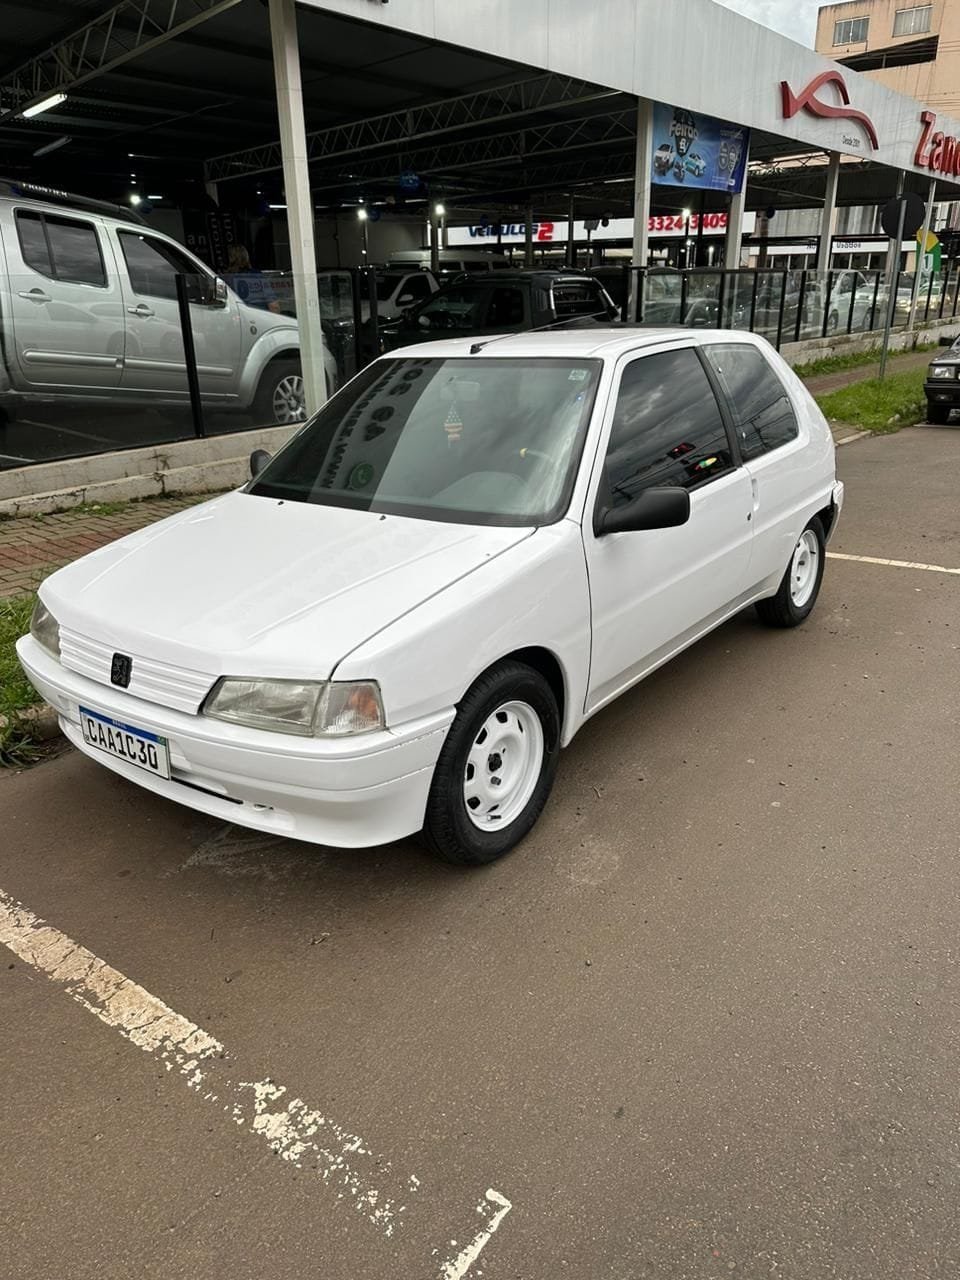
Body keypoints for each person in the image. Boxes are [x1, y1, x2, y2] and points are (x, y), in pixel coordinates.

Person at [224, 244, 280, 313]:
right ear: (247, 257)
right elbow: (274, 305)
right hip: (262, 317)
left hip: (239, 318)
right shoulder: (257, 275)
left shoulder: (226, 279)